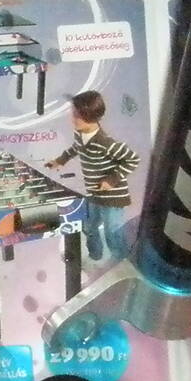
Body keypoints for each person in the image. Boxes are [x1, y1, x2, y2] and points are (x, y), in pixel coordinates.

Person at [46, 91, 140, 262]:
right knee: (89, 226)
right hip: (93, 193)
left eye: (76, 115)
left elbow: (133, 159)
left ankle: (121, 261)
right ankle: (95, 255)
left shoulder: (105, 142)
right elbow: (76, 148)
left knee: (112, 232)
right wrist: (60, 160)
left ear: (88, 116)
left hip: (113, 197)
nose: (72, 119)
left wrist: (112, 180)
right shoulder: (80, 134)